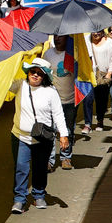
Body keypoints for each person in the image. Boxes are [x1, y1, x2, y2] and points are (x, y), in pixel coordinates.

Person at [10, 58, 69, 213]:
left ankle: (39, 195)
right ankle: (19, 199)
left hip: (42, 139)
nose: (35, 75)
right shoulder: (19, 85)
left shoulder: (50, 92)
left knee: (40, 168)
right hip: (20, 137)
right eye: (32, 71)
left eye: (39, 73)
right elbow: (2, 82)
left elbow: (58, 114)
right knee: (21, 168)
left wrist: (64, 135)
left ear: (45, 77)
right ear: (27, 73)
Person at [42, 35, 76, 171]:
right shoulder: (48, 54)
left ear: (67, 38)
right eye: (55, 36)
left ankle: (66, 157)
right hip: (52, 101)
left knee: (67, 130)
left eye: (60, 37)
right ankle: (49, 161)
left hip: (70, 100)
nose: (57, 39)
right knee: (50, 131)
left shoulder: (74, 53)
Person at [90, 30, 112, 131]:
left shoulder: (108, 42)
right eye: (93, 32)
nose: (96, 34)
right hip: (90, 75)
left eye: (98, 31)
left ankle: (100, 121)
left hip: (103, 76)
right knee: (89, 99)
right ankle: (87, 123)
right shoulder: (88, 42)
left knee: (101, 99)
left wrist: (109, 73)